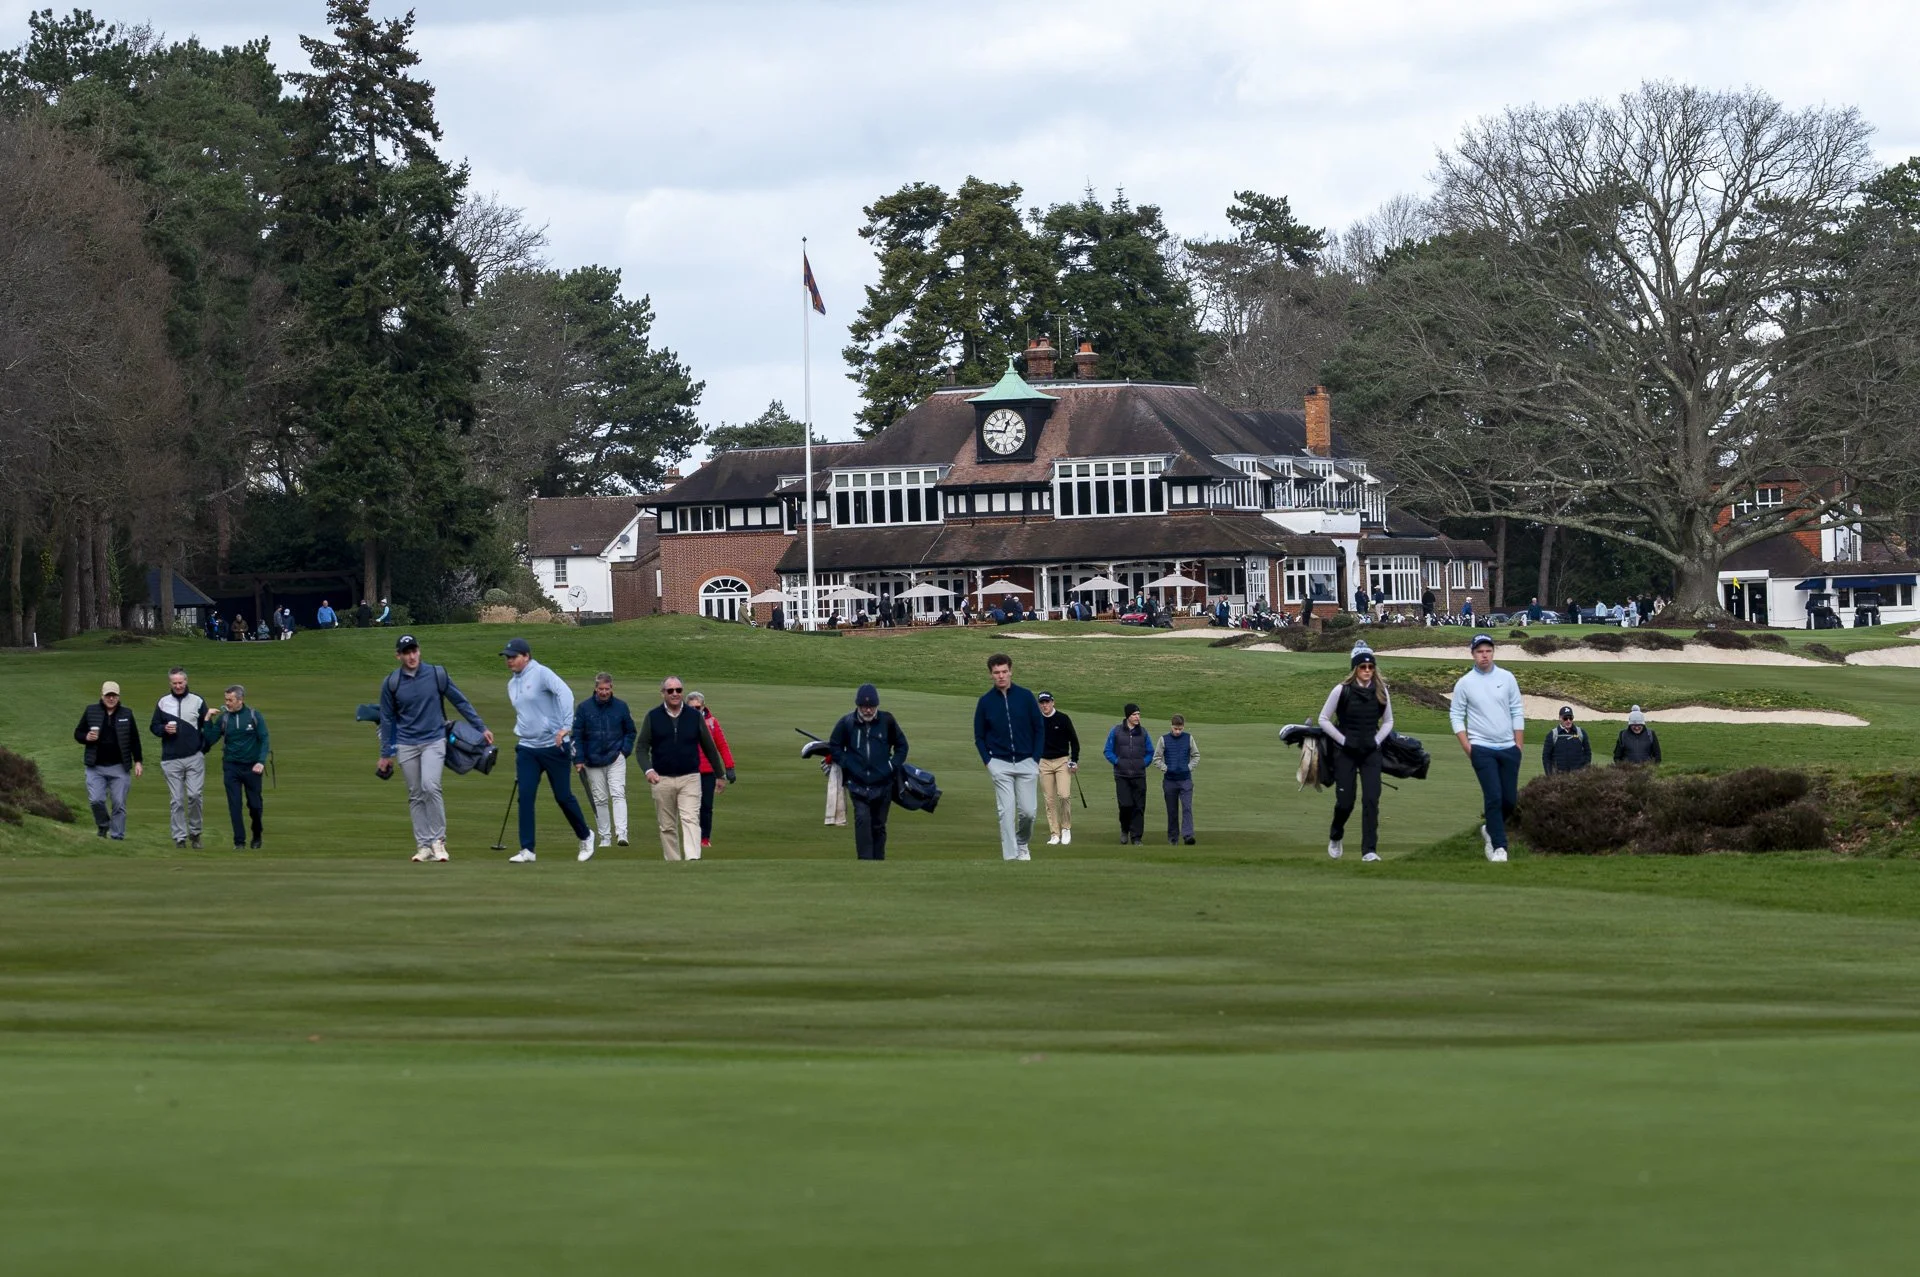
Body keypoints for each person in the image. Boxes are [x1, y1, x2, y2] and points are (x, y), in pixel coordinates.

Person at [377, 633, 492, 863]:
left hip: (434, 739)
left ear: (419, 651)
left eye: (414, 651)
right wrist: (385, 753)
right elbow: (387, 719)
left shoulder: (436, 674)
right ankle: (423, 846)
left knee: (430, 786)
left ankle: (438, 841)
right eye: (407, 652)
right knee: (415, 794)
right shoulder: (392, 682)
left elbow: (459, 701)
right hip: (406, 743)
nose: (412, 656)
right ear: (398, 655)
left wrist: (480, 727)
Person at [500, 637, 593, 863]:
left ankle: (586, 835)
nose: (509, 661)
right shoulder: (512, 684)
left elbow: (565, 694)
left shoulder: (541, 673)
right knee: (526, 796)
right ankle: (527, 850)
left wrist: (565, 728)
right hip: (527, 748)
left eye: (513, 657)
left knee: (562, 796)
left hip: (554, 746)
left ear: (526, 656)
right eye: (507, 657)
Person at [1449, 633, 1525, 863]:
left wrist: (1518, 745)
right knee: (1493, 796)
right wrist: (1467, 746)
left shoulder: (1507, 678)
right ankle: (1499, 846)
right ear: (1472, 654)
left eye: (1488, 651)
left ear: (1493, 652)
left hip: (1508, 748)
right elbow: (1456, 715)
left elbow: (1517, 710)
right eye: (1480, 651)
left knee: (1509, 800)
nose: (1484, 655)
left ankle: (1490, 828)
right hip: (1481, 748)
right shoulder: (1465, 683)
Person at [1316, 640, 1394, 860]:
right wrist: (1343, 740)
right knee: (1345, 802)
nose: (1367, 671)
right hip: (1345, 752)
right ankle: (1336, 834)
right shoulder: (1341, 690)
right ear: (1355, 668)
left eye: (1370, 667)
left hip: (1371, 752)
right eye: (1363, 667)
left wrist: (1376, 741)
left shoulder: (1381, 692)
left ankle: (1369, 851)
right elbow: (1324, 719)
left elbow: (1388, 721)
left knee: (1371, 800)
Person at [638, 675, 727, 861]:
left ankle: (693, 859)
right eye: (670, 690)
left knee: (690, 819)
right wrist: (648, 770)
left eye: (678, 690)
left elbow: (709, 746)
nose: (675, 694)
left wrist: (720, 774)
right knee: (667, 825)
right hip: (661, 778)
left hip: (690, 777)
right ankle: (673, 863)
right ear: (663, 693)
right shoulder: (653, 717)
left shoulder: (694, 716)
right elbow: (641, 748)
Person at [973, 653, 1045, 861]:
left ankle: (1022, 843)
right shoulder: (985, 702)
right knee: (1006, 812)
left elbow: (1039, 728)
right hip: (1000, 764)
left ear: (1011, 671)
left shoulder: (1025, 696)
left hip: (1027, 762)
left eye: (1004, 671)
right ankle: (1011, 857)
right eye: (996, 673)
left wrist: (1035, 758)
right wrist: (988, 761)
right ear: (991, 675)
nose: (1001, 676)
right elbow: (979, 736)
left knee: (1028, 812)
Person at [828, 683, 908, 860]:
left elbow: (902, 746)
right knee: (863, 822)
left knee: (879, 826)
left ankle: (878, 862)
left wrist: (891, 766)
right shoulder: (847, 722)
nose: (868, 710)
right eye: (864, 707)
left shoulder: (887, 721)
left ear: (877, 706)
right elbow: (835, 745)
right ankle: (865, 863)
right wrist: (847, 763)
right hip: (858, 786)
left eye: (871, 707)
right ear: (857, 706)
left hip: (884, 785)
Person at [572, 672, 637, 851]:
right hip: (591, 760)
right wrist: (578, 759)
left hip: (615, 756)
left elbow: (630, 731)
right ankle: (605, 837)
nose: (604, 692)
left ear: (612, 688)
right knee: (599, 799)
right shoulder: (584, 708)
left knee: (618, 793)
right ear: (595, 688)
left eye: (607, 689)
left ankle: (622, 833)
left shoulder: (621, 707)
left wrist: (624, 751)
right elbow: (576, 735)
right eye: (601, 689)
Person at [150, 666, 211, 848]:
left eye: (180, 682)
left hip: (194, 757)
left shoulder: (197, 701)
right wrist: (163, 729)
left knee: (194, 795)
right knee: (176, 800)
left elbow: (207, 726)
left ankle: (195, 833)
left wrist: (202, 749)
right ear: (170, 683)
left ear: (186, 681)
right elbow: (154, 726)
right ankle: (180, 837)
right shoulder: (163, 702)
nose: (178, 686)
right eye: (174, 683)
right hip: (170, 758)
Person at [203, 683, 268, 849]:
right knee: (234, 804)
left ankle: (257, 834)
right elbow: (210, 740)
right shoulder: (224, 718)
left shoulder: (254, 716)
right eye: (226, 700)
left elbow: (264, 739)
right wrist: (207, 720)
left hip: (252, 767)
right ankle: (239, 842)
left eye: (230, 700)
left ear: (240, 700)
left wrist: (261, 761)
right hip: (231, 767)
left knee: (255, 805)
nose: (227, 703)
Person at [75, 680, 142, 839]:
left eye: (114, 695)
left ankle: (117, 836)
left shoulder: (127, 713)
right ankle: (103, 825)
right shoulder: (91, 711)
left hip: (119, 766)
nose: (111, 698)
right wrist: (86, 737)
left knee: (119, 803)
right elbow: (78, 733)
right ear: (102, 695)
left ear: (118, 696)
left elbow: (134, 739)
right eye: (108, 695)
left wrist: (138, 761)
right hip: (95, 766)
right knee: (96, 800)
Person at [685, 690, 737, 850]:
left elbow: (722, 745)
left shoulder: (712, 722)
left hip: (708, 771)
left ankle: (704, 838)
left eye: (698, 707)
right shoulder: (681, 722)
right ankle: (690, 836)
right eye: (691, 708)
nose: (695, 710)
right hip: (688, 771)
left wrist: (729, 767)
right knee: (689, 807)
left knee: (706, 806)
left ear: (703, 707)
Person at [1103, 703, 1154, 845]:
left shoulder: (1143, 732)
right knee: (1125, 805)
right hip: (1122, 775)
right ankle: (1125, 829)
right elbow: (1108, 751)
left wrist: (1143, 763)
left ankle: (1136, 837)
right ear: (1128, 716)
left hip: (1139, 775)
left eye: (1138, 714)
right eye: (1134, 714)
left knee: (1139, 806)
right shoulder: (1116, 731)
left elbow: (1150, 752)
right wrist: (1117, 761)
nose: (1138, 717)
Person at [1037, 691, 1079, 846]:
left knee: (1064, 795)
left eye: (1047, 702)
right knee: (1049, 800)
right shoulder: (1037, 720)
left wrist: (1074, 760)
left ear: (1053, 702)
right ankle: (1055, 833)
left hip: (1062, 761)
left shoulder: (1063, 719)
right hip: (1044, 762)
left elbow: (1074, 741)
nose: (1045, 705)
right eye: (1042, 703)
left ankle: (1066, 828)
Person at [1156, 714, 1200, 845]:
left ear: (1183, 727)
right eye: (1175, 729)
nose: (1177, 732)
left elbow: (1196, 755)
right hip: (1169, 781)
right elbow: (1157, 758)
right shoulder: (1163, 739)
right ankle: (1173, 838)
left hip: (1185, 779)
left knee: (1187, 807)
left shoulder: (1189, 738)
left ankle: (1188, 835)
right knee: (1172, 810)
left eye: (1180, 729)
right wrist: (1166, 768)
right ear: (1171, 726)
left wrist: (1189, 767)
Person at [1541, 705, 1592, 774]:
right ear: (1560, 718)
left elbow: (1588, 753)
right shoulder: (1553, 734)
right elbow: (1546, 757)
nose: (1568, 721)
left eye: (1570, 718)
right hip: (1558, 775)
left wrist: (1585, 769)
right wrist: (1549, 775)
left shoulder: (1581, 733)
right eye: (1565, 718)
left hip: (1578, 775)